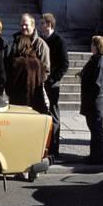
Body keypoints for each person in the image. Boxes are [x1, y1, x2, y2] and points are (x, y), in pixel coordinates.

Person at [39, 13, 69, 159]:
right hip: (40, 82)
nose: (40, 26)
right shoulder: (40, 40)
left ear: (49, 24)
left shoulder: (59, 41)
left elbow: (65, 64)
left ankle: (54, 149)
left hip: (52, 84)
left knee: (53, 115)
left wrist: (53, 79)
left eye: (43, 23)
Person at [77, 36, 103, 165]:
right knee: (94, 130)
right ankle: (95, 155)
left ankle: (99, 157)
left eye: (92, 44)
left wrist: (89, 97)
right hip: (92, 102)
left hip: (95, 102)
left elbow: (98, 84)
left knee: (96, 130)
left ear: (98, 46)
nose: (91, 46)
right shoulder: (95, 59)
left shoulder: (101, 61)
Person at [5, 35, 49, 114]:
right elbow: (43, 78)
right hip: (37, 103)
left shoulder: (17, 63)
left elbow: (10, 85)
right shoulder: (39, 63)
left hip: (19, 103)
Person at [9, 13, 50, 82]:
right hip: (15, 88)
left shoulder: (41, 45)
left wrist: (35, 81)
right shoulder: (15, 42)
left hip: (33, 88)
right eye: (22, 25)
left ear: (33, 26)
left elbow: (46, 70)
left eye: (26, 25)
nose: (23, 27)